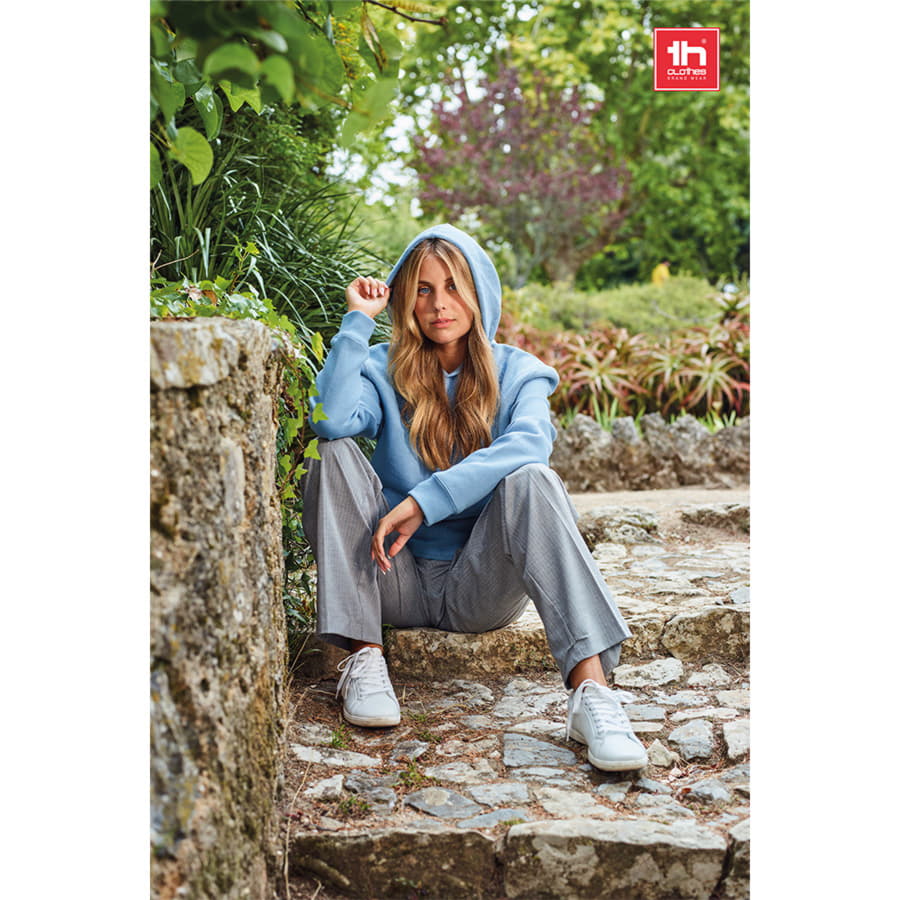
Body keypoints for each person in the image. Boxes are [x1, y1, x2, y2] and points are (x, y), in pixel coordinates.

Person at [302, 224, 648, 772]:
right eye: (423, 289)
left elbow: (530, 444)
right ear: (406, 298)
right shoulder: (381, 367)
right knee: (332, 451)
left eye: (453, 287)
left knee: (533, 479)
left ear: (478, 292)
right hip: (390, 573)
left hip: (479, 586)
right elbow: (329, 418)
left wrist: (424, 502)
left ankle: (592, 694)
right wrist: (357, 322)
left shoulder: (519, 372)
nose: (439, 304)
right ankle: (364, 658)